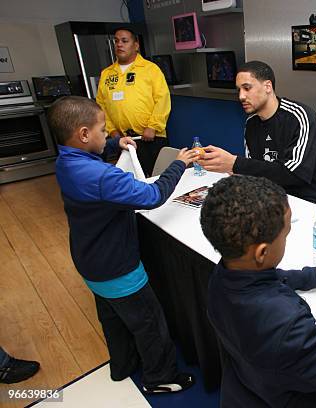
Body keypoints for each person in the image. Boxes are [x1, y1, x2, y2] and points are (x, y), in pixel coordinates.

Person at [48, 96, 199, 393]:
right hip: (118, 268)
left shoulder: (66, 160)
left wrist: (112, 146)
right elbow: (152, 196)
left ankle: (123, 365)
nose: (107, 135)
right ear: (83, 134)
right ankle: (160, 377)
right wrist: (179, 164)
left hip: (90, 261)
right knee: (150, 324)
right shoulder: (102, 176)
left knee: (113, 320)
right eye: (103, 131)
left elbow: (94, 169)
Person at [201, 174, 316, 407]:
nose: (287, 237)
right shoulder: (285, 326)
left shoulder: (221, 277)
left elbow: (263, 279)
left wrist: (310, 276)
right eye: (286, 234)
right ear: (261, 253)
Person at [198, 61, 316, 208]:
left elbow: (295, 175)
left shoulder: (300, 116)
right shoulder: (251, 123)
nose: (241, 96)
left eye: (247, 88)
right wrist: (235, 170)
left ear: (267, 87)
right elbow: (254, 172)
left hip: (309, 204)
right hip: (271, 201)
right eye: (239, 90)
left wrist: (235, 163)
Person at [96, 28, 171, 177]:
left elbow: (162, 99)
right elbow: (101, 105)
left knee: (158, 178)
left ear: (136, 45)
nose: (119, 45)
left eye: (124, 41)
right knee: (132, 179)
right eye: (116, 41)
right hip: (124, 140)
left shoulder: (150, 69)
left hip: (151, 137)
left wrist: (153, 126)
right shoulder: (107, 73)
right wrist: (111, 131)